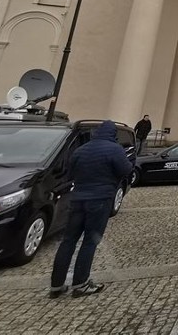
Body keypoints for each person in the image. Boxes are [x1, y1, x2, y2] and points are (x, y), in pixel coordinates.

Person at [49, 121, 133, 298]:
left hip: (77, 199)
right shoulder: (114, 149)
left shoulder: (81, 150)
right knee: (89, 241)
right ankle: (81, 283)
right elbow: (126, 170)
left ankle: (56, 285)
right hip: (100, 199)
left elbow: (70, 172)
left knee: (68, 241)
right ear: (113, 134)